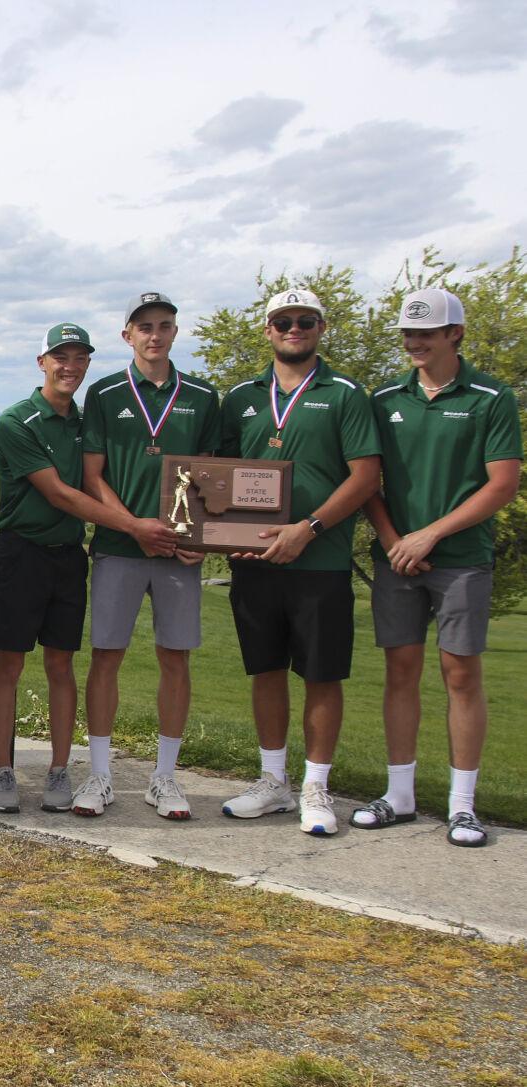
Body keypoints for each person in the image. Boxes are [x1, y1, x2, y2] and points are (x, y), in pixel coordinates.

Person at [0, 325, 181, 814]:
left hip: (68, 557)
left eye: (79, 358)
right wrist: (137, 527)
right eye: (60, 357)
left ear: (88, 364)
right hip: (20, 553)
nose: (69, 366)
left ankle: (57, 769)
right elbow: (61, 494)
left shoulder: (88, 421)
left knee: (60, 663)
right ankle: (4, 769)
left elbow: (109, 476)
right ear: (41, 361)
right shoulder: (17, 420)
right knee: (9, 663)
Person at [359, 288, 522, 848]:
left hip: (460, 560)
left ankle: (462, 806)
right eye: (408, 333)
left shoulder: (490, 398)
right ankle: (399, 795)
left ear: (456, 334)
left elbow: (502, 484)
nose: (415, 342)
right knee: (400, 672)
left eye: (427, 332)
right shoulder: (384, 398)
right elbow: (368, 481)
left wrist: (429, 534)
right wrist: (393, 540)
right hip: (396, 558)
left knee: (461, 675)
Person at [218, 288, 381, 836]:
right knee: (265, 669)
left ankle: (315, 785)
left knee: (320, 673)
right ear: (267, 330)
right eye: (283, 321)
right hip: (256, 560)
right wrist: (221, 535)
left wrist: (308, 529)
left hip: (320, 558)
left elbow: (365, 477)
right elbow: (216, 475)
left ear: (320, 327)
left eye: (305, 320)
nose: (294, 328)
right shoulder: (241, 396)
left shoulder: (346, 394)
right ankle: (273, 783)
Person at [77, 292, 219, 821]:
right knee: (106, 655)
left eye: (163, 326)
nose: (154, 335)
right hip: (119, 546)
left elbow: (212, 475)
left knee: (175, 656)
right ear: (127, 335)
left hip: (179, 552)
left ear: (176, 333)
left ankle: (164, 778)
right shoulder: (106, 392)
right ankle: (100, 775)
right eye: (144, 327)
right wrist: (134, 527)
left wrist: (196, 537)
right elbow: (94, 474)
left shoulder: (203, 396)